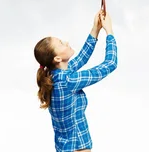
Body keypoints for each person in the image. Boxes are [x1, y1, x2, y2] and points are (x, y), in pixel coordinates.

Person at [34, 9, 117, 152]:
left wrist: (95, 29)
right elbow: (110, 64)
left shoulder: (55, 75)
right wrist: (110, 32)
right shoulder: (68, 81)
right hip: (77, 148)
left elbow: (82, 58)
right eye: (61, 44)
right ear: (57, 58)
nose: (66, 42)